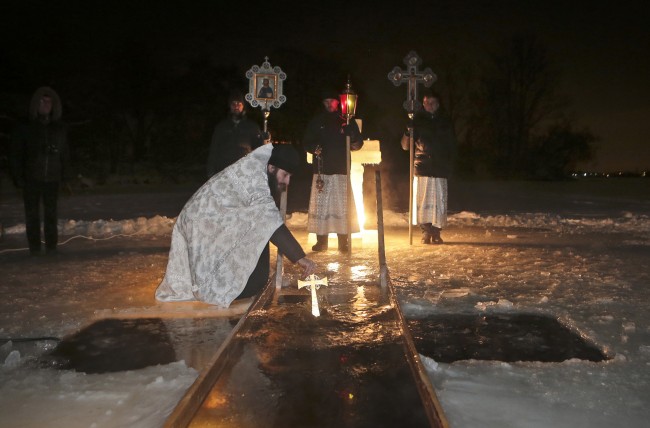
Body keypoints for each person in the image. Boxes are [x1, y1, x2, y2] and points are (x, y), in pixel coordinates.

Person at [155, 143, 317, 307]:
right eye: (285, 174)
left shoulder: (259, 168)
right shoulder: (254, 178)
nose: (287, 181)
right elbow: (270, 221)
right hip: (202, 222)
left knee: (258, 230)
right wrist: (300, 258)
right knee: (259, 229)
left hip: (212, 219)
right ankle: (229, 286)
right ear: (272, 168)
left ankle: (249, 281)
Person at [10, 86, 71, 255]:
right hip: (31, 179)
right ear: (36, 104)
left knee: (51, 214)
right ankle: (35, 248)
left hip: (52, 178)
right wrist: (18, 177)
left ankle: (51, 247)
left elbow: (65, 153)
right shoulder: (26, 127)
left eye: (49, 102)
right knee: (32, 216)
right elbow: (16, 153)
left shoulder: (59, 128)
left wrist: (65, 177)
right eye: (42, 101)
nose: (45, 105)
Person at [303, 91, 363, 252]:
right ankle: (322, 241)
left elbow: (357, 145)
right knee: (322, 206)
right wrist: (313, 148)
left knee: (341, 206)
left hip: (341, 168)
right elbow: (307, 141)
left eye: (332, 101)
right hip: (322, 169)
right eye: (326, 101)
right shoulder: (317, 121)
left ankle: (343, 241)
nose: (329, 104)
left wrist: (353, 136)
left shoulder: (347, 120)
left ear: (338, 102)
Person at [401, 90, 457, 244]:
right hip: (423, 167)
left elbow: (452, 146)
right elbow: (406, 146)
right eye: (426, 103)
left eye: (432, 103)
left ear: (438, 104)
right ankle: (426, 232)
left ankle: (436, 232)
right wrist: (408, 131)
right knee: (423, 202)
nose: (429, 106)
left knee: (438, 201)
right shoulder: (418, 120)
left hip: (440, 167)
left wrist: (450, 166)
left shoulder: (445, 121)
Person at [206, 91, 268, 178]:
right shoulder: (221, 127)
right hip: (224, 170)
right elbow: (214, 150)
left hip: (243, 170)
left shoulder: (252, 127)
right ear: (230, 106)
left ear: (243, 106)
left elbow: (259, 149)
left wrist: (264, 139)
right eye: (233, 104)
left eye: (239, 104)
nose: (236, 106)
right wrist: (210, 171)